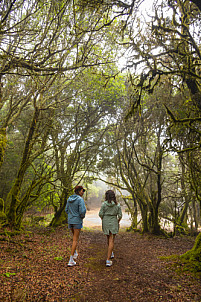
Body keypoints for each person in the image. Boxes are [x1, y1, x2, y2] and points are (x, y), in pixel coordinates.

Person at [99, 190, 122, 267]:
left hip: (105, 221)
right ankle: (108, 260)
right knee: (112, 239)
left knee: (108, 237)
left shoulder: (104, 204)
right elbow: (120, 215)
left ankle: (110, 251)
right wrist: (117, 221)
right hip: (114, 221)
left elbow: (100, 214)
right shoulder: (117, 205)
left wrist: (103, 219)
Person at [65, 185, 86, 266]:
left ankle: (75, 252)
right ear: (79, 191)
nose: (83, 192)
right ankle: (71, 260)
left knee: (74, 237)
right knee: (75, 240)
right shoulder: (80, 199)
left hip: (70, 221)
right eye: (82, 191)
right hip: (77, 221)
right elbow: (82, 211)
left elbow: (66, 210)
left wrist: (71, 215)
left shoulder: (69, 199)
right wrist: (81, 217)